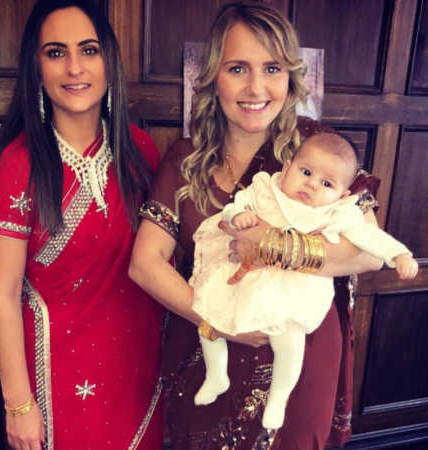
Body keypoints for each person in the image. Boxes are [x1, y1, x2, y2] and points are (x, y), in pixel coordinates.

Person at [129, 2, 383, 449]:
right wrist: (225, 323)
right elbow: (145, 264)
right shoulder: (186, 159)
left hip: (299, 351)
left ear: (289, 77)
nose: (256, 87)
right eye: (237, 68)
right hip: (213, 347)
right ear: (213, 76)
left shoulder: (318, 151)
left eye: (271, 68)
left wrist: (272, 246)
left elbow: (366, 252)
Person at [0, 1, 164, 449]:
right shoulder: (14, 166)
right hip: (57, 376)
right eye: (56, 52)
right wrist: (18, 406)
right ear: (36, 67)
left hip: (139, 366)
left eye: (89, 50)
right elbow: (1, 295)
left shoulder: (139, 152)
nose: (75, 67)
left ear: (108, 62)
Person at [190, 132, 418, 430]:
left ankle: (278, 398)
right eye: (306, 172)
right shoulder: (265, 189)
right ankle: (216, 374)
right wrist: (238, 217)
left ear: (343, 194)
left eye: (327, 184)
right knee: (209, 317)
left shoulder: (336, 213)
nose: (312, 184)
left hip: (293, 287)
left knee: (289, 341)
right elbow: (235, 206)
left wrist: (399, 254)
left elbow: (369, 237)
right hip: (243, 276)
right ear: (286, 169)